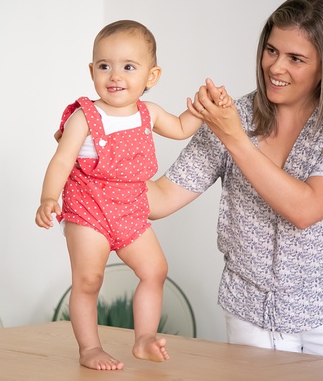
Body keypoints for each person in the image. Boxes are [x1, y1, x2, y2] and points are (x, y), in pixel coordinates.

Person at [147, 0, 323, 363]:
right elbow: (161, 198)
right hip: (250, 310)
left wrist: (233, 137)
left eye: (296, 58)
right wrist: (91, 158)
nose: (276, 67)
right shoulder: (234, 114)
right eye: (272, 50)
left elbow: (305, 209)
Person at [35, 20, 205, 370]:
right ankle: (89, 349)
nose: (115, 76)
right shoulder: (85, 116)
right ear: (92, 70)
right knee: (88, 280)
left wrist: (203, 109)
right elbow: (61, 160)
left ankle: (143, 338)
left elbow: (182, 127)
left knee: (155, 270)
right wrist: (49, 198)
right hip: (89, 211)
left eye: (128, 67)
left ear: (151, 76)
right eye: (104, 66)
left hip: (130, 211)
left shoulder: (149, 113)